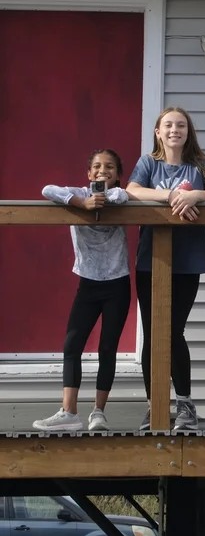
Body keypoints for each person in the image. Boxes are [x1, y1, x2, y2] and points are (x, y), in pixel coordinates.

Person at [126, 107, 205, 431]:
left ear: (188, 131)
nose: (174, 130)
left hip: (188, 261)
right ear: (158, 131)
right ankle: (156, 408)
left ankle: (184, 405)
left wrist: (195, 194)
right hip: (149, 261)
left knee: (174, 331)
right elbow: (133, 190)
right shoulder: (148, 164)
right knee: (154, 333)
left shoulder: (202, 165)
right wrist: (170, 195)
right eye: (168, 125)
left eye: (180, 125)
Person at [33, 150, 130, 432]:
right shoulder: (77, 193)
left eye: (110, 167)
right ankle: (69, 411)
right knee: (72, 345)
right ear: (88, 173)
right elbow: (47, 189)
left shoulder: (119, 196)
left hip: (117, 283)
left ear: (118, 173)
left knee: (107, 348)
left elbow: (120, 197)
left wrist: (103, 198)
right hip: (87, 282)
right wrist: (82, 203)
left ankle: (99, 412)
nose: (103, 171)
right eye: (97, 167)